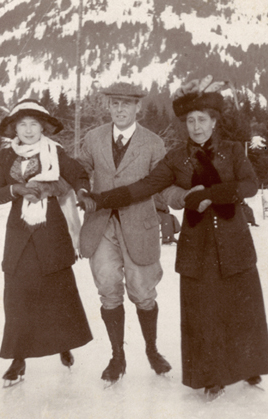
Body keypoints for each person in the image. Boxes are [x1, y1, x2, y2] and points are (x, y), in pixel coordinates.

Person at [88, 76, 268, 399]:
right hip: (197, 243)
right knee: (203, 309)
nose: (197, 127)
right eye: (191, 121)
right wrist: (103, 199)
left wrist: (211, 194)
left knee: (241, 306)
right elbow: (144, 187)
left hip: (233, 240)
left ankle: (247, 365)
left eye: (203, 120)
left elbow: (250, 186)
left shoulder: (232, 151)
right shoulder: (176, 158)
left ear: (214, 122)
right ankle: (211, 375)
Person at [0, 99, 94, 386]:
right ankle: (17, 360)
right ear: (14, 128)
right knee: (17, 296)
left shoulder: (55, 151)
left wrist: (82, 191)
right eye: (22, 124)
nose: (29, 130)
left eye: (34, 124)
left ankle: (64, 343)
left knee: (58, 292)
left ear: (43, 127)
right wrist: (15, 189)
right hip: (20, 234)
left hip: (52, 231)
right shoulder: (6, 157)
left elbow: (77, 174)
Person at [77, 82, 172, 384]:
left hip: (139, 226)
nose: (120, 110)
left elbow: (162, 184)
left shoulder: (154, 143)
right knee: (107, 288)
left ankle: (152, 349)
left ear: (137, 108)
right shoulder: (93, 138)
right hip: (101, 224)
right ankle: (117, 356)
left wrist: (169, 211)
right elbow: (80, 167)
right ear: (108, 106)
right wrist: (80, 186)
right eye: (114, 104)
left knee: (143, 292)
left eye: (126, 104)